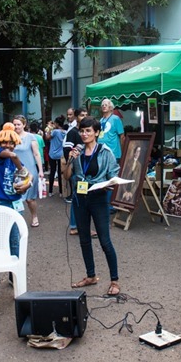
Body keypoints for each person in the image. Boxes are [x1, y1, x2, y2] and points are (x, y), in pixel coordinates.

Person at [63, 116, 122, 297]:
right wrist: (70, 160)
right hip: (80, 198)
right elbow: (66, 177)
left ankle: (114, 280)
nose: (84, 134)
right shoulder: (77, 152)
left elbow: (114, 176)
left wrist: (108, 184)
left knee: (105, 241)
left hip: (98, 198)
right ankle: (91, 276)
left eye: (88, 130)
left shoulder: (105, 152)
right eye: (82, 130)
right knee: (84, 240)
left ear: (96, 132)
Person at [0, 123, 33, 295]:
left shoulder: (14, 159)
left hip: (15, 203)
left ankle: (14, 274)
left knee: (14, 241)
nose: (8, 146)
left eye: (12, 143)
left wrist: (26, 185)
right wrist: (22, 169)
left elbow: (28, 177)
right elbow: (10, 155)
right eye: (5, 142)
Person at [13, 115, 44, 227]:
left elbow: (36, 154)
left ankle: (34, 215)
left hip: (30, 170)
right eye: (14, 124)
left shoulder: (31, 137)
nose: (16, 126)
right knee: (17, 198)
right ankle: (18, 220)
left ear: (24, 125)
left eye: (18, 124)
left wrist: (40, 170)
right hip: (15, 171)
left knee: (30, 199)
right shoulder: (11, 137)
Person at [47, 116, 66, 196]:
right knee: (60, 173)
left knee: (52, 172)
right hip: (61, 155)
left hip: (53, 154)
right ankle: (61, 192)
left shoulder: (55, 131)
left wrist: (49, 128)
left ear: (57, 124)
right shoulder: (65, 132)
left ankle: (50, 191)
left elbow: (47, 137)